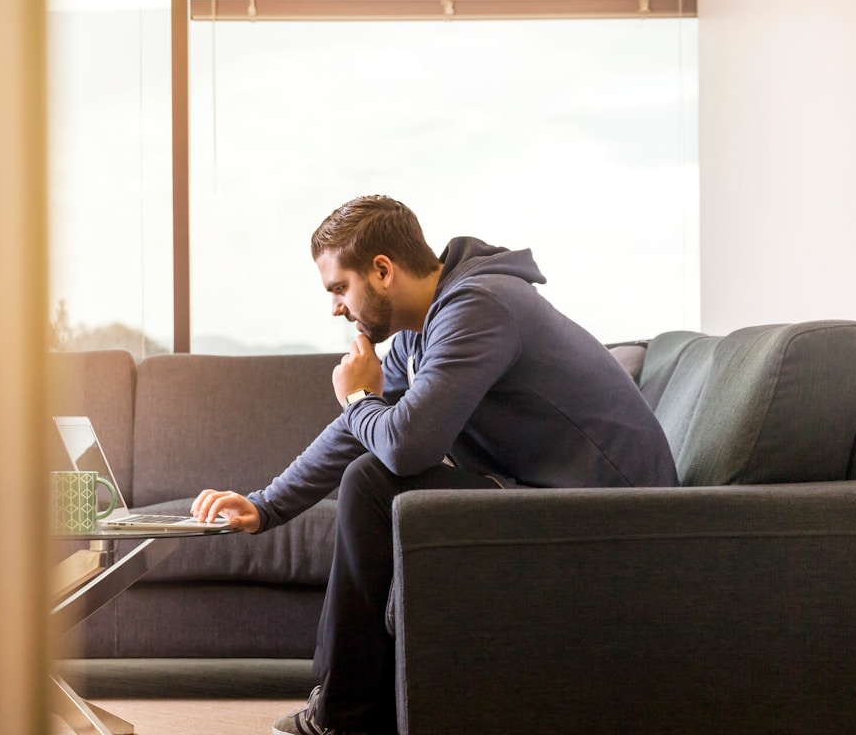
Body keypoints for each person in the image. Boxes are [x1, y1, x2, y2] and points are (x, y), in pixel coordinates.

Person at [191, 194, 678, 735]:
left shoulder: (479, 308)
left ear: (381, 271)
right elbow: (355, 435)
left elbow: (405, 447)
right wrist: (264, 505)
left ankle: (344, 715)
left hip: (621, 518)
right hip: (548, 495)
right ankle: (347, 709)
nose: (335, 308)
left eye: (338, 288)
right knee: (371, 474)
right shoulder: (423, 333)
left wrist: (357, 399)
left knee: (376, 481)